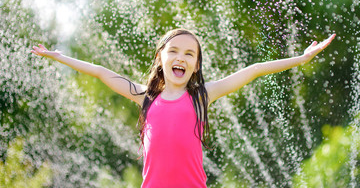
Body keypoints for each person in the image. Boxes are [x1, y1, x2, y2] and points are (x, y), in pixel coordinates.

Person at [31, 29, 336, 187]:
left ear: (196, 64)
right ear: (160, 58)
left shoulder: (203, 96)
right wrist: (60, 57)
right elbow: (99, 71)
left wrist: (300, 59)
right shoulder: (144, 96)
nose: (181, 57)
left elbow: (254, 69)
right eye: (174, 51)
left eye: (190, 53)